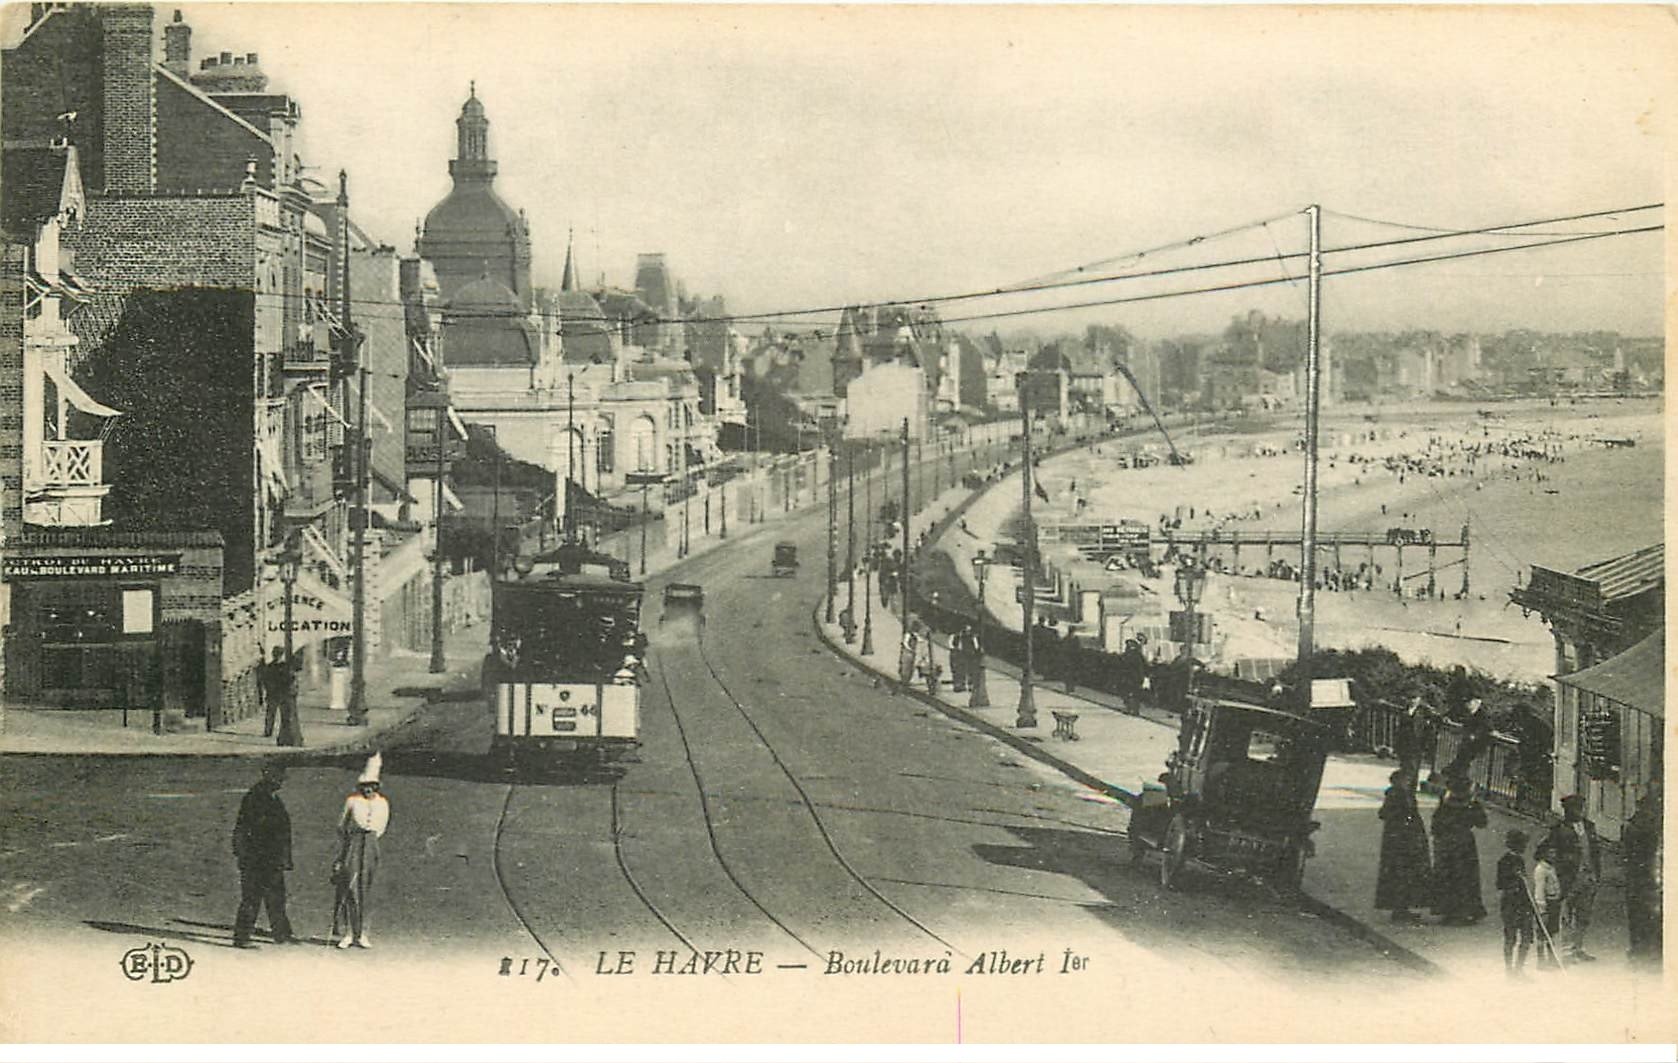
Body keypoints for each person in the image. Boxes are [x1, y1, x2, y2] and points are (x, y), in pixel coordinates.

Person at [232, 760, 297, 948]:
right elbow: (247, 828)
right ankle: (242, 938)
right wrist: (245, 854)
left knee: (276, 896)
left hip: (270, 858)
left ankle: (281, 933)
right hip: (258, 858)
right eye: (278, 778)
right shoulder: (257, 797)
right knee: (252, 898)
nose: (281, 782)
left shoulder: (270, 795)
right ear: (268, 776)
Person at [333, 752, 390, 949]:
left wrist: (370, 839)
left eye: (371, 786)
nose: (368, 790)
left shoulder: (382, 803)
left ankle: (364, 933)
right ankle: (348, 932)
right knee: (350, 886)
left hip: (371, 844)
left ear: (376, 787)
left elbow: (382, 826)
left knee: (368, 888)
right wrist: (348, 844)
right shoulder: (352, 801)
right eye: (365, 786)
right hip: (353, 843)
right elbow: (341, 825)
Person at [1544, 793, 1601, 962]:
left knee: (1584, 916)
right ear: (1567, 810)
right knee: (1567, 916)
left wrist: (1597, 874)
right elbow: (1545, 851)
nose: (1578, 812)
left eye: (1580, 808)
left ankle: (1578, 947)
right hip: (1568, 879)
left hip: (1588, 877)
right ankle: (1567, 952)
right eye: (1574, 809)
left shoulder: (1589, 827)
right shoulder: (1558, 829)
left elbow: (1595, 852)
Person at [1430, 776, 1488, 925]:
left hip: (1447, 844)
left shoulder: (1445, 803)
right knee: (1466, 877)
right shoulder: (1471, 804)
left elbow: (1435, 826)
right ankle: (1465, 911)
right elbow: (1482, 823)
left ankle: (1448, 912)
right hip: (1464, 843)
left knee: (1447, 876)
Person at [1375, 769, 1431, 924]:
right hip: (1400, 840)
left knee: (1405, 874)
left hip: (1403, 839)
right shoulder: (1396, 795)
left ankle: (1402, 908)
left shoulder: (1405, 794)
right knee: (1401, 873)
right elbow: (1384, 814)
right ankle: (1399, 910)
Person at [1495, 829, 1533, 975]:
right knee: (1511, 937)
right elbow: (1500, 883)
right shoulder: (1504, 861)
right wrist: (1514, 880)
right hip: (1511, 904)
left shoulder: (1520, 860)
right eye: (1522, 843)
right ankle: (1509, 970)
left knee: (1526, 937)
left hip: (1523, 903)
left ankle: (1519, 969)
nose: (1524, 846)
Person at [1531, 839, 1564, 970]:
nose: (1553, 855)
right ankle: (1541, 961)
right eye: (1550, 852)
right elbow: (1539, 890)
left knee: (1552, 932)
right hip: (1546, 904)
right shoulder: (1541, 869)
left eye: (1555, 852)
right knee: (1542, 933)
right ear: (1543, 853)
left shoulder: (1552, 867)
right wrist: (1542, 908)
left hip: (1554, 903)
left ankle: (1552, 958)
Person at [894, 629, 918, 696]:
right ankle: (903, 682)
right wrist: (910, 649)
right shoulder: (907, 635)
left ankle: (907, 681)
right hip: (906, 652)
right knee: (905, 667)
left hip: (912, 653)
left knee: (911, 667)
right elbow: (905, 643)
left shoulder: (915, 636)